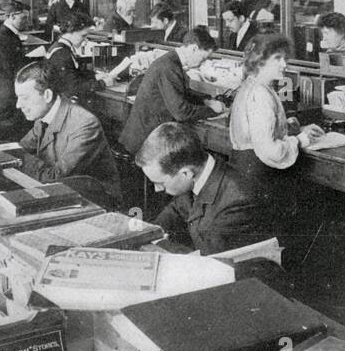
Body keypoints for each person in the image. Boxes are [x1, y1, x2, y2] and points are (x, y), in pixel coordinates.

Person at [136, 122, 273, 255]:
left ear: (186, 174)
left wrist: (158, 245)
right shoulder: (198, 173)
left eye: (160, 183)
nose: (157, 189)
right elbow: (175, 210)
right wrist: (150, 232)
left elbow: (211, 261)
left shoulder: (237, 202)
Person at [227, 33, 323, 194]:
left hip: (246, 171)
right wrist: (298, 141)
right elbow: (270, 151)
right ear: (260, 62)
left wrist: (297, 128)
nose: (284, 65)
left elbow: (260, 130)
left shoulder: (253, 85)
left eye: (285, 59)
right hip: (258, 176)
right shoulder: (261, 95)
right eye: (278, 59)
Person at [14, 62, 119, 204]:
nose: (18, 105)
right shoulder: (44, 115)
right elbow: (21, 148)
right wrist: (17, 154)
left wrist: (17, 157)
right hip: (63, 193)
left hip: (95, 200)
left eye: (25, 98)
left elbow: (54, 177)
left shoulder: (85, 124)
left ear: (47, 95)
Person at [119, 26, 224, 157]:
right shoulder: (169, 67)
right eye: (203, 58)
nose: (202, 64)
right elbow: (181, 112)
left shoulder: (172, 60)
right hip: (145, 142)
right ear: (194, 49)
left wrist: (205, 100)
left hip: (149, 134)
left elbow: (182, 91)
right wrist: (213, 110)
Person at [45, 15, 101, 107]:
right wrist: (102, 83)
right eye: (83, 36)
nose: (85, 41)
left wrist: (95, 76)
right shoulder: (62, 53)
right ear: (72, 31)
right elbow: (73, 88)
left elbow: (73, 74)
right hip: (61, 104)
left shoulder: (60, 47)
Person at [0, 1, 31, 77]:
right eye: (24, 18)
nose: (27, 22)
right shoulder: (2, 39)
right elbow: (9, 70)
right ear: (12, 16)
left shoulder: (9, 34)